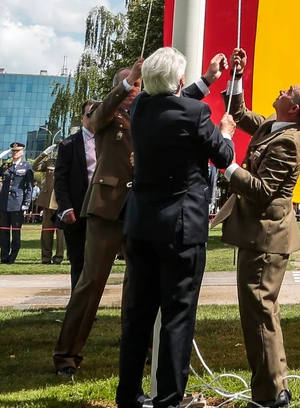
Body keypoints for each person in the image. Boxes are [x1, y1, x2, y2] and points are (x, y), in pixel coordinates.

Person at [114, 48, 235, 408]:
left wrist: (209, 80)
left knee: (138, 317)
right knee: (177, 318)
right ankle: (168, 399)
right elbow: (223, 157)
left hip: (141, 226)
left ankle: (128, 396)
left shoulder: (140, 108)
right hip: (181, 229)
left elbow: (173, 104)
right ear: (180, 82)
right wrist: (225, 133)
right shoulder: (197, 113)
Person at [215, 49, 300, 408]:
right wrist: (237, 75)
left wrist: (226, 164)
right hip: (259, 235)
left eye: (288, 91)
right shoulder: (273, 127)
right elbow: (239, 113)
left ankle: (270, 395)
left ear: (294, 108)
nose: (282, 91)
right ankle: (276, 387)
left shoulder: (288, 142)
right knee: (264, 312)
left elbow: (261, 191)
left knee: (258, 313)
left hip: (266, 238)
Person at [54, 71, 147, 374]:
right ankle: (67, 355)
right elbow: (99, 113)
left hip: (141, 209)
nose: (135, 88)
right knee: (90, 283)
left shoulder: (147, 113)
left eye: (139, 84)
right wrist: (126, 81)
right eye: (131, 83)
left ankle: (138, 347)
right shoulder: (104, 113)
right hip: (108, 208)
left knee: (139, 286)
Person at [0, 142, 34, 264]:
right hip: (5, 202)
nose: (15, 153)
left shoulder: (26, 166)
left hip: (17, 203)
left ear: (22, 152)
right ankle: (4, 257)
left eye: (17, 151)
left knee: (16, 232)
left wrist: (27, 202)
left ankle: (12, 257)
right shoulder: (7, 165)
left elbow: (29, 186)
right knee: (3, 232)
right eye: (13, 151)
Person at [33, 141, 65, 266]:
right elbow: (35, 166)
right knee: (46, 232)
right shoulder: (50, 162)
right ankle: (45, 258)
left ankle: (59, 257)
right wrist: (44, 154)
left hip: (61, 202)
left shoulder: (70, 161)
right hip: (47, 201)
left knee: (61, 233)